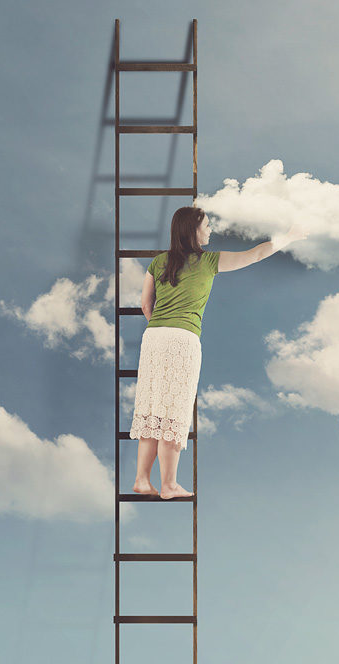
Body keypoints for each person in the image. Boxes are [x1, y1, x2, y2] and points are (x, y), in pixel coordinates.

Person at [129, 205, 308, 499]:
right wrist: (290, 236)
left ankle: (141, 480)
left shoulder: (158, 262)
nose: (210, 230)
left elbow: (145, 306)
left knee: (152, 410)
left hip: (154, 339)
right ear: (193, 230)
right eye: (207, 225)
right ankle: (169, 485)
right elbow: (257, 254)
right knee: (174, 413)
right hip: (182, 340)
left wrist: (163, 326)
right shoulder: (209, 261)